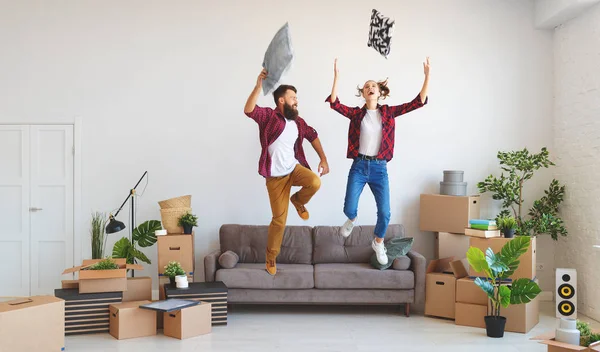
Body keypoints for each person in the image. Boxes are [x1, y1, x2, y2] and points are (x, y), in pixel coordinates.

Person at [324, 57, 430, 265]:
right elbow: (335, 104)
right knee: (349, 208)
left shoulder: (389, 113)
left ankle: (378, 241)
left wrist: (427, 76)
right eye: (366, 86)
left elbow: (416, 103)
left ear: (380, 92)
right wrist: (336, 77)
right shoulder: (356, 114)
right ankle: (351, 219)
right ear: (363, 94)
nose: (370, 87)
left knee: (385, 212)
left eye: (373, 86)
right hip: (359, 166)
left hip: (379, 169)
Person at [244, 68, 330, 275]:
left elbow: (313, 135)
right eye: (293, 98)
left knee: (315, 182)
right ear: (281, 100)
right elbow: (249, 110)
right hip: (275, 179)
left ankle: (298, 200)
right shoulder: (268, 116)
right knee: (279, 221)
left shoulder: (298, 122)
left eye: (297, 98)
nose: (296, 101)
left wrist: (323, 158)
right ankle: (271, 257)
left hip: (294, 169)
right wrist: (258, 87)